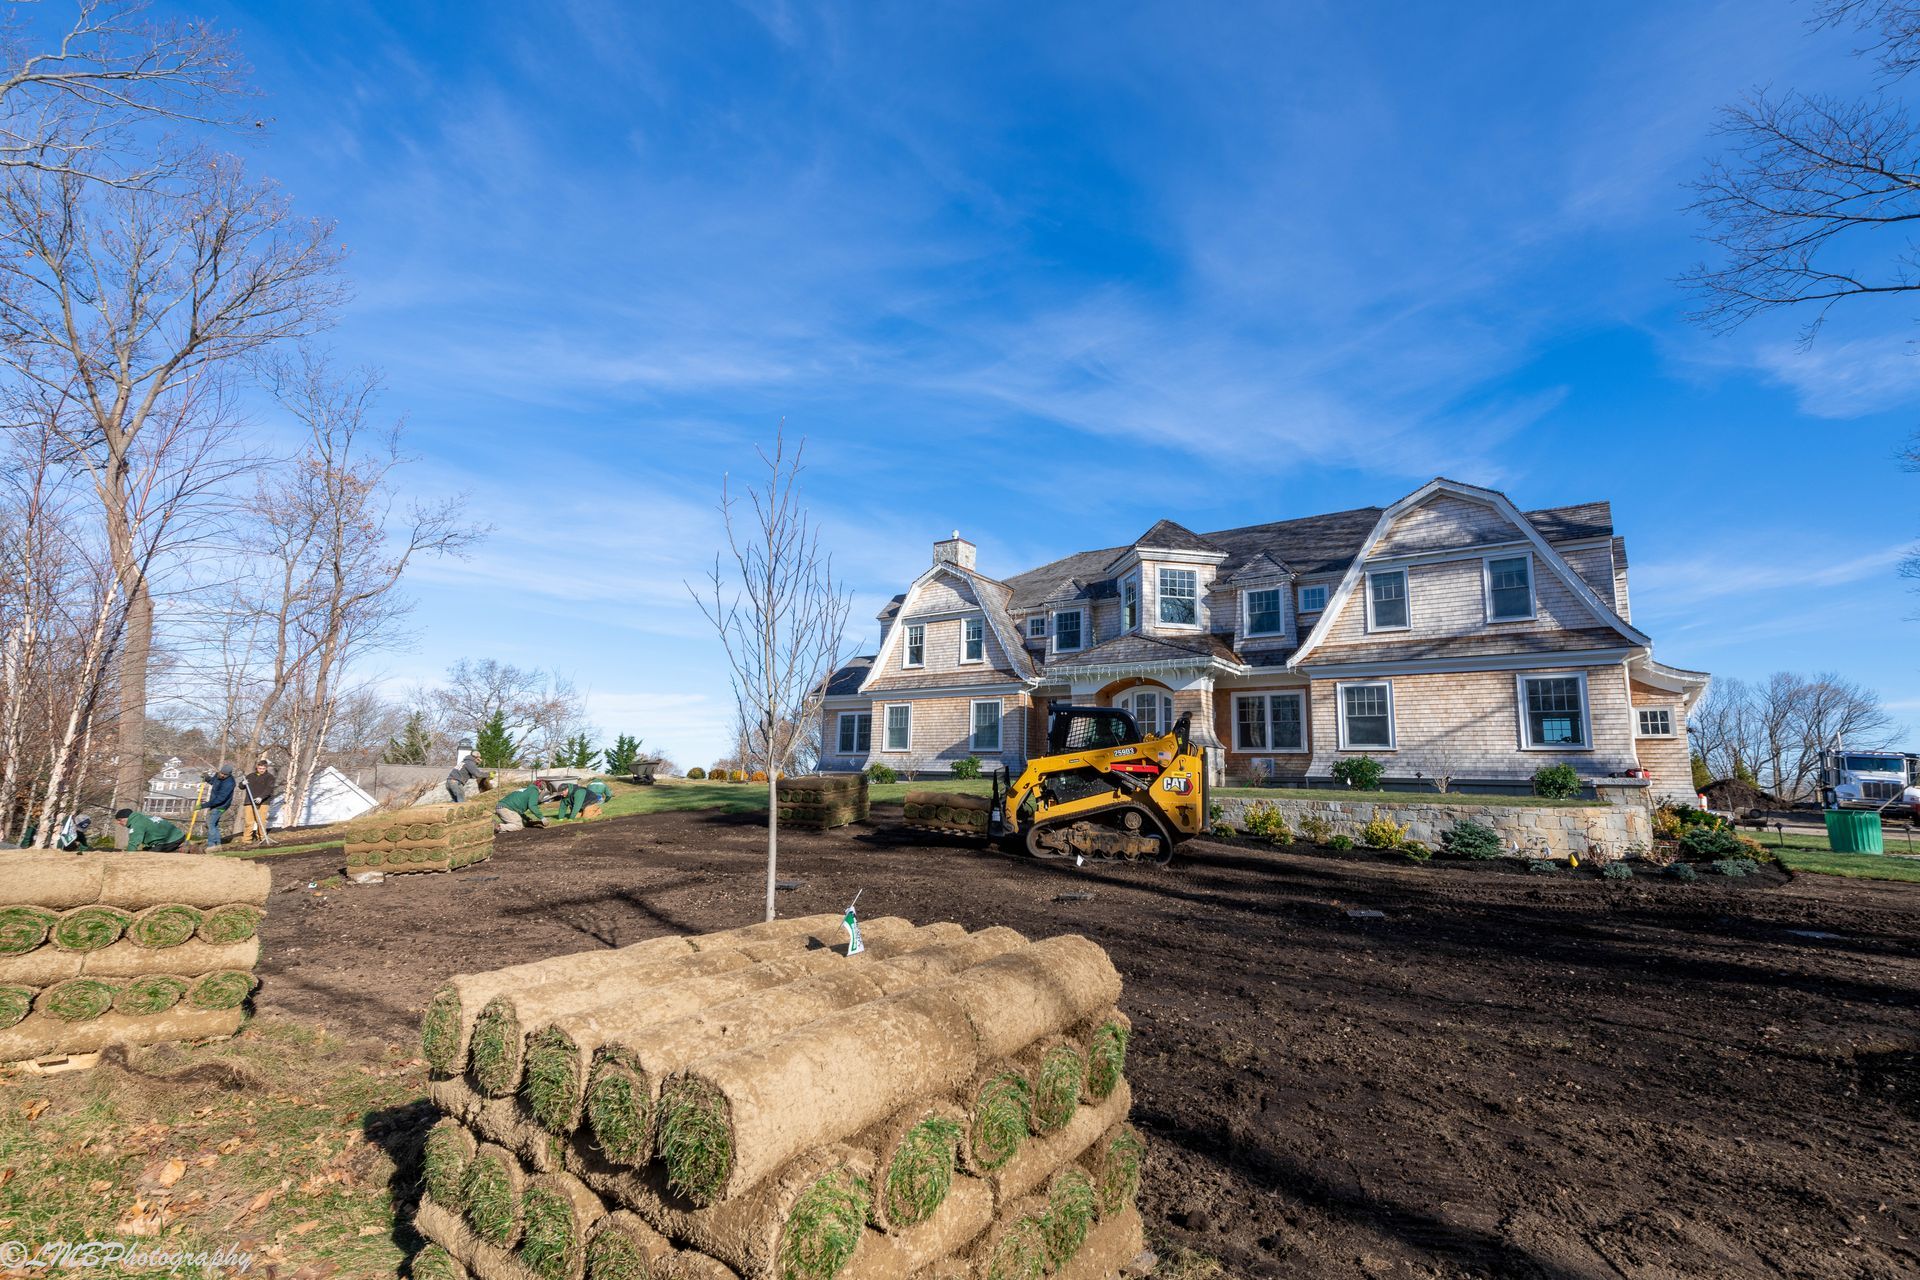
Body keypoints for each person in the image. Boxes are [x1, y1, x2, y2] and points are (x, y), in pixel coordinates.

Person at [236, 759, 276, 843]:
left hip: (263, 802)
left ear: (266, 768)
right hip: (249, 801)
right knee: (248, 821)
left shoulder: (269, 777)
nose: (261, 770)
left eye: (263, 769)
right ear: (256, 768)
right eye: (259, 768)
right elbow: (241, 787)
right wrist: (242, 783)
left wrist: (261, 797)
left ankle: (262, 838)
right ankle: (246, 840)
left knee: (261, 821)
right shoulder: (250, 776)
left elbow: (269, 789)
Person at [197, 764, 235, 849]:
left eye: (225, 775)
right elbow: (212, 782)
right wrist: (206, 778)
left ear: (229, 774)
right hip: (215, 803)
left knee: (211, 824)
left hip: (221, 806)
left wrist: (203, 806)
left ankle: (212, 846)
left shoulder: (229, 783)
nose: (222, 775)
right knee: (214, 824)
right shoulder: (218, 775)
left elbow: (220, 799)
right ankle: (217, 844)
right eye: (222, 773)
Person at [115, 808, 186, 852]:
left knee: (150, 854)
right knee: (146, 850)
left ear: (126, 818)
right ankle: (182, 848)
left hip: (171, 840)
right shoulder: (142, 817)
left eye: (119, 820)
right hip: (178, 836)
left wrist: (127, 855)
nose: (118, 822)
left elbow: (133, 842)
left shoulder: (137, 824)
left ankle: (183, 850)